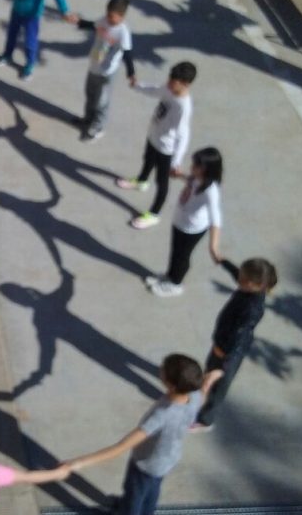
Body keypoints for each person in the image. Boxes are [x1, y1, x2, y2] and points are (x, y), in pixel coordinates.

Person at [66, 354, 223, 515]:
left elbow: (122, 446)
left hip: (147, 463)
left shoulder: (163, 414)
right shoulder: (194, 396)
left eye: (163, 369)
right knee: (152, 490)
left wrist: (79, 463)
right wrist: (210, 379)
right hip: (169, 458)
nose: (160, 368)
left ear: (171, 385)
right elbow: (203, 393)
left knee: (135, 494)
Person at [192, 258, 277, 430]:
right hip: (221, 343)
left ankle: (206, 420)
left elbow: (239, 338)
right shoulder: (248, 285)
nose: (239, 280)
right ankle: (202, 389)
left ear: (256, 285)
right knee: (208, 374)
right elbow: (236, 273)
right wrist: (221, 260)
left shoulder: (253, 309)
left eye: (243, 279)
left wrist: (223, 367)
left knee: (218, 388)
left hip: (229, 354)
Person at [116, 61, 196, 228]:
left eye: (174, 82)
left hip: (166, 149)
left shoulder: (183, 107)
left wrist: (176, 161)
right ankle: (141, 181)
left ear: (186, 84)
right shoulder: (169, 89)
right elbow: (154, 90)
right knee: (147, 160)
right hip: (153, 137)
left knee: (162, 182)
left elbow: (183, 135)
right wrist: (137, 86)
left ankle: (154, 214)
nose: (169, 83)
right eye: (170, 79)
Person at [147, 147, 223, 298]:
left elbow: (216, 218)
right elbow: (190, 180)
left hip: (192, 229)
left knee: (182, 256)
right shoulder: (196, 178)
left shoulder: (211, 191)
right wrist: (179, 175)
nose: (192, 167)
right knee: (175, 252)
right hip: (180, 222)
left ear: (207, 169)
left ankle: (176, 284)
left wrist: (213, 247)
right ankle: (170, 276)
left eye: (196, 165)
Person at [72, 0, 135, 141]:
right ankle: (88, 119)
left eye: (112, 17)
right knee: (90, 95)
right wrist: (78, 21)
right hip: (94, 67)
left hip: (107, 73)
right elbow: (93, 25)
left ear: (121, 17)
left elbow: (127, 53)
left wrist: (131, 72)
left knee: (102, 101)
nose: (108, 18)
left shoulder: (123, 32)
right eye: (107, 14)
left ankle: (98, 127)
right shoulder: (104, 21)